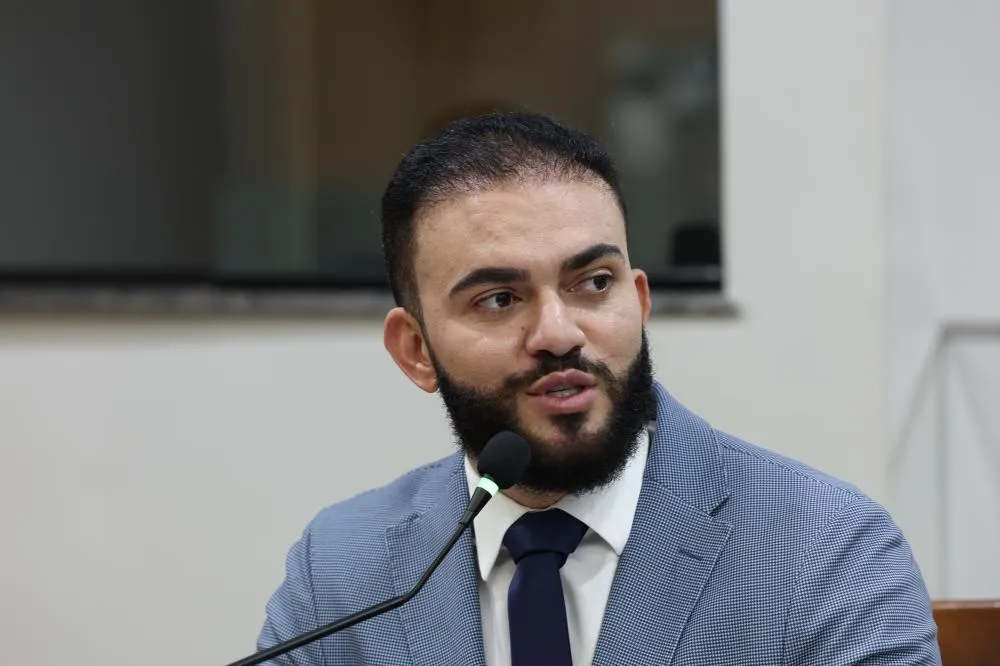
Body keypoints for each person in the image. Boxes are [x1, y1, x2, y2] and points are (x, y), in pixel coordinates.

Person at [256, 113, 940, 665]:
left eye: (593, 283)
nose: (558, 333)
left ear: (639, 302)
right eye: (498, 299)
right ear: (415, 350)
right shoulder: (342, 571)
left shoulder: (826, 550)